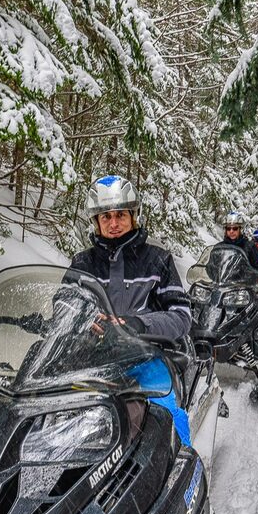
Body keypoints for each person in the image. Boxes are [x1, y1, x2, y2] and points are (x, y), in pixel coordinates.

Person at [70, 175, 193, 443]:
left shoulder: (157, 260)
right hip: (92, 359)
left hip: (146, 360)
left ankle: (182, 475)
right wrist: (82, 320)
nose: (114, 224)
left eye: (120, 215)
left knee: (169, 420)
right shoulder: (82, 263)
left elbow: (182, 315)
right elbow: (64, 305)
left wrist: (139, 324)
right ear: (96, 222)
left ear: (133, 216)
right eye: (106, 217)